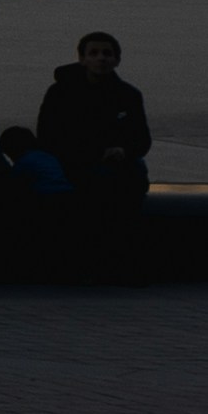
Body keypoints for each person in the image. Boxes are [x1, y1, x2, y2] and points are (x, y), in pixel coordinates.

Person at [36, 31, 152, 283]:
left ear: (117, 60)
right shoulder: (60, 93)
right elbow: (48, 135)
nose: (101, 59)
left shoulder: (128, 95)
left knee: (132, 177)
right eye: (94, 53)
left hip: (118, 165)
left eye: (107, 54)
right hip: (75, 163)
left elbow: (142, 139)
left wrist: (124, 151)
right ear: (82, 59)